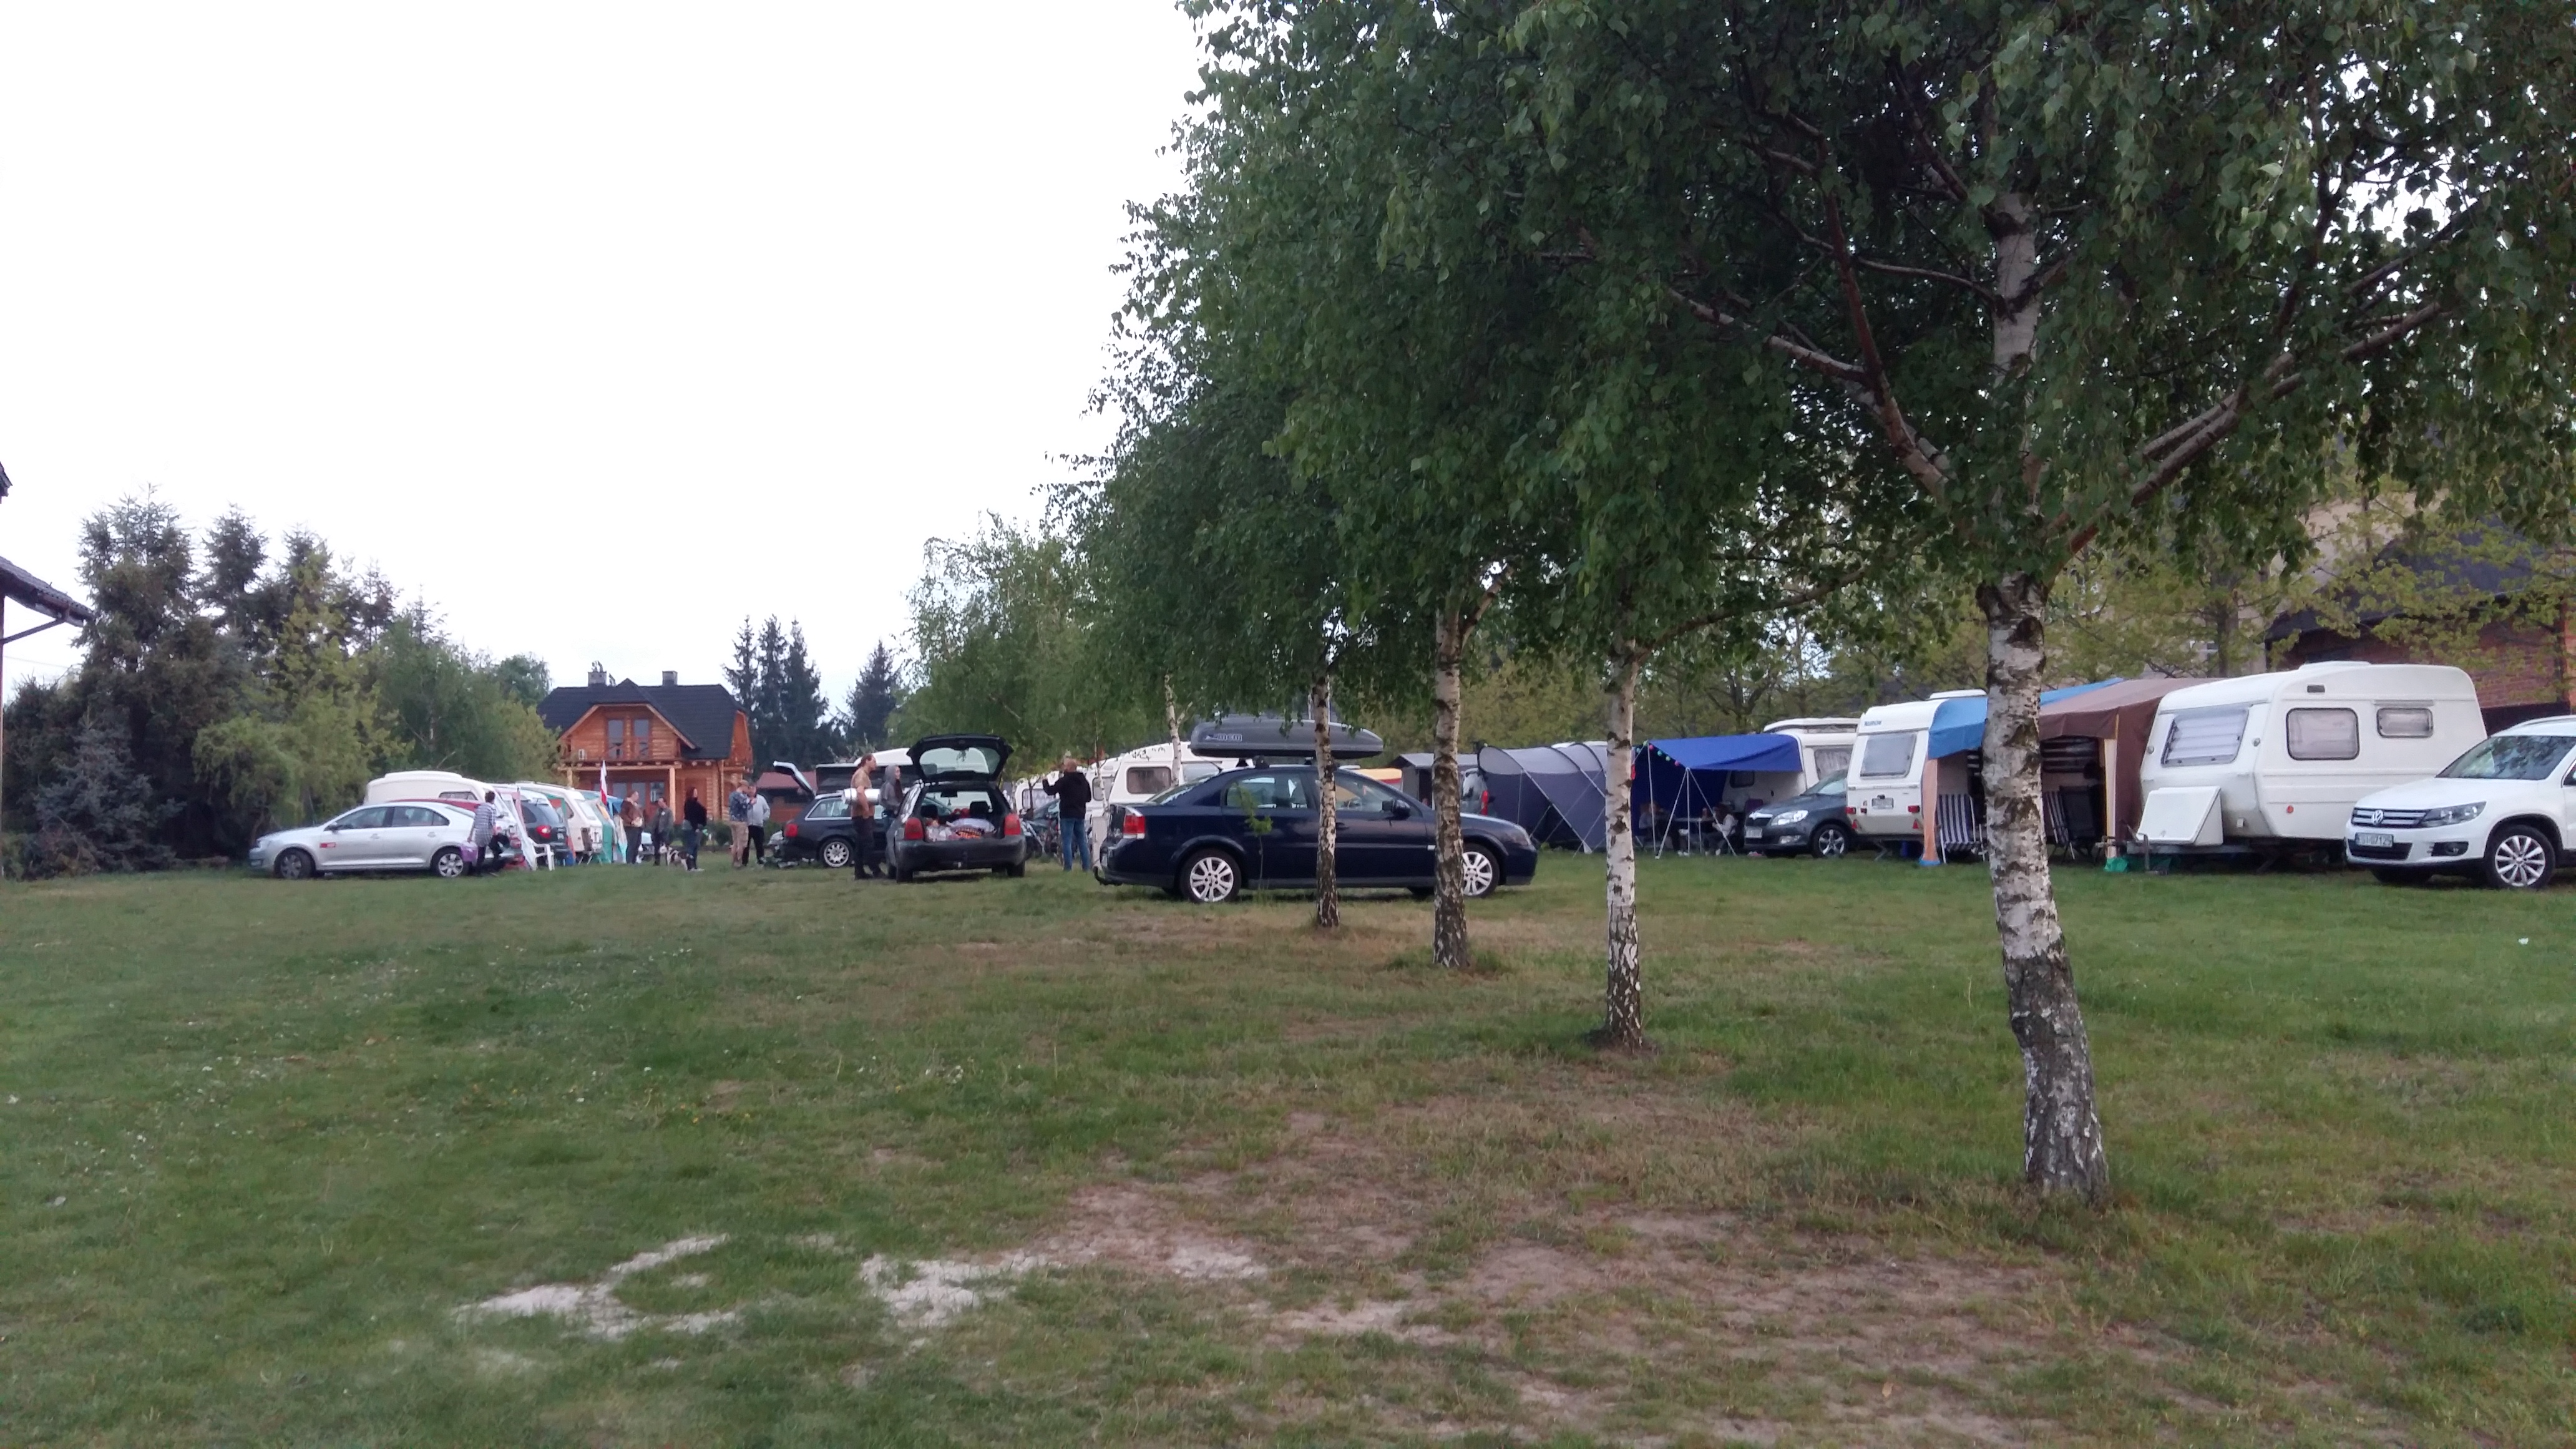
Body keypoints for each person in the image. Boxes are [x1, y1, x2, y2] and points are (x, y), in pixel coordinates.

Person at [1040, 755, 1093, 872]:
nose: (1063, 768)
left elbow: (1050, 791)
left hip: (1067, 815)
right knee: (1082, 841)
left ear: (1068, 768)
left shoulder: (1064, 781)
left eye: (1065, 766)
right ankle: (1086, 867)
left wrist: (1045, 781)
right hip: (1080, 814)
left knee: (1067, 841)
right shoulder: (1084, 781)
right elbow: (1089, 798)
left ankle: (1068, 867)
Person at [847, 751, 879, 881]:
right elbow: (860, 792)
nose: (876, 764)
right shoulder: (862, 775)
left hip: (859, 816)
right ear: (867, 761)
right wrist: (866, 810)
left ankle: (859, 873)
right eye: (874, 761)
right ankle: (876, 871)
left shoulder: (863, 774)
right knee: (868, 844)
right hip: (862, 816)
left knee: (860, 845)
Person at [471, 789, 500, 876]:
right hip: (487, 833)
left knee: (481, 853)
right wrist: (496, 833)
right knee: (497, 851)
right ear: (493, 799)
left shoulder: (480, 808)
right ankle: (492, 869)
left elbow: (475, 822)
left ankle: (478, 872)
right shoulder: (492, 808)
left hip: (479, 833)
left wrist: (470, 835)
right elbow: (492, 822)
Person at [726, 778, 755, 867]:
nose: (748, 790)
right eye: (747, 788)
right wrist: (752, 803)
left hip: (732, 820)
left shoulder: (732, 795)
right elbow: (745, 807)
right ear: (743, 786)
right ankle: (738, 862)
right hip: (741, 821)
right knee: (741, 843)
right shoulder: (741, 796)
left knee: (735, 842)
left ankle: (734, 861)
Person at [681, 789, 706, 871]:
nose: (696, 793)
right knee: (691, 846)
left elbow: (702, 810)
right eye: (695, 792)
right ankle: (690, 866)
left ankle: (695, 866)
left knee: (695, 846)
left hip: (697, 826)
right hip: (690, 827)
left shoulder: (696, 804)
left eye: (696, 792)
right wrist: (695, 828)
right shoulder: (689, 804)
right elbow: (691, 817)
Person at [748, 784, 772, 866]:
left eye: (753, 789)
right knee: (746, 845)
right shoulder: (745, 799)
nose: (751, 791)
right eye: (750, 789)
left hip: (758, 825)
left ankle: (761, 860)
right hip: (747, 825)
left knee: (759, 844)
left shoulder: (761, 799)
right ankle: (744, 862)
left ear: (755, 789)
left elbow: (767, 810)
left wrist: (763, 819)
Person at [622, 793, 643, 864]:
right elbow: (623, 814)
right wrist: (631, 821)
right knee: (632, 844)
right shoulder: (627, 804)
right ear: (632, 795)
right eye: (636, 795)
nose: (638, 797)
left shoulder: (637, 805)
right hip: (630, 827)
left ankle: (634, 860)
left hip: (638, 826)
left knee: (637, 843)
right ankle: (629, 861)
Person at [651, 797, 675, 865]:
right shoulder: (658, 811)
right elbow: (654, 820)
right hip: (656, 831)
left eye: (661, 802)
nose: (659, 804)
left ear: (665, 802)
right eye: (659, 802)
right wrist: (653, 828)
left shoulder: (668, 811)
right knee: (656, 847)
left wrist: (666, 830)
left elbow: (670, 822)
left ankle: (668, 861)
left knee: (666, 847)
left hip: (664, 832)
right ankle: (657, 861)